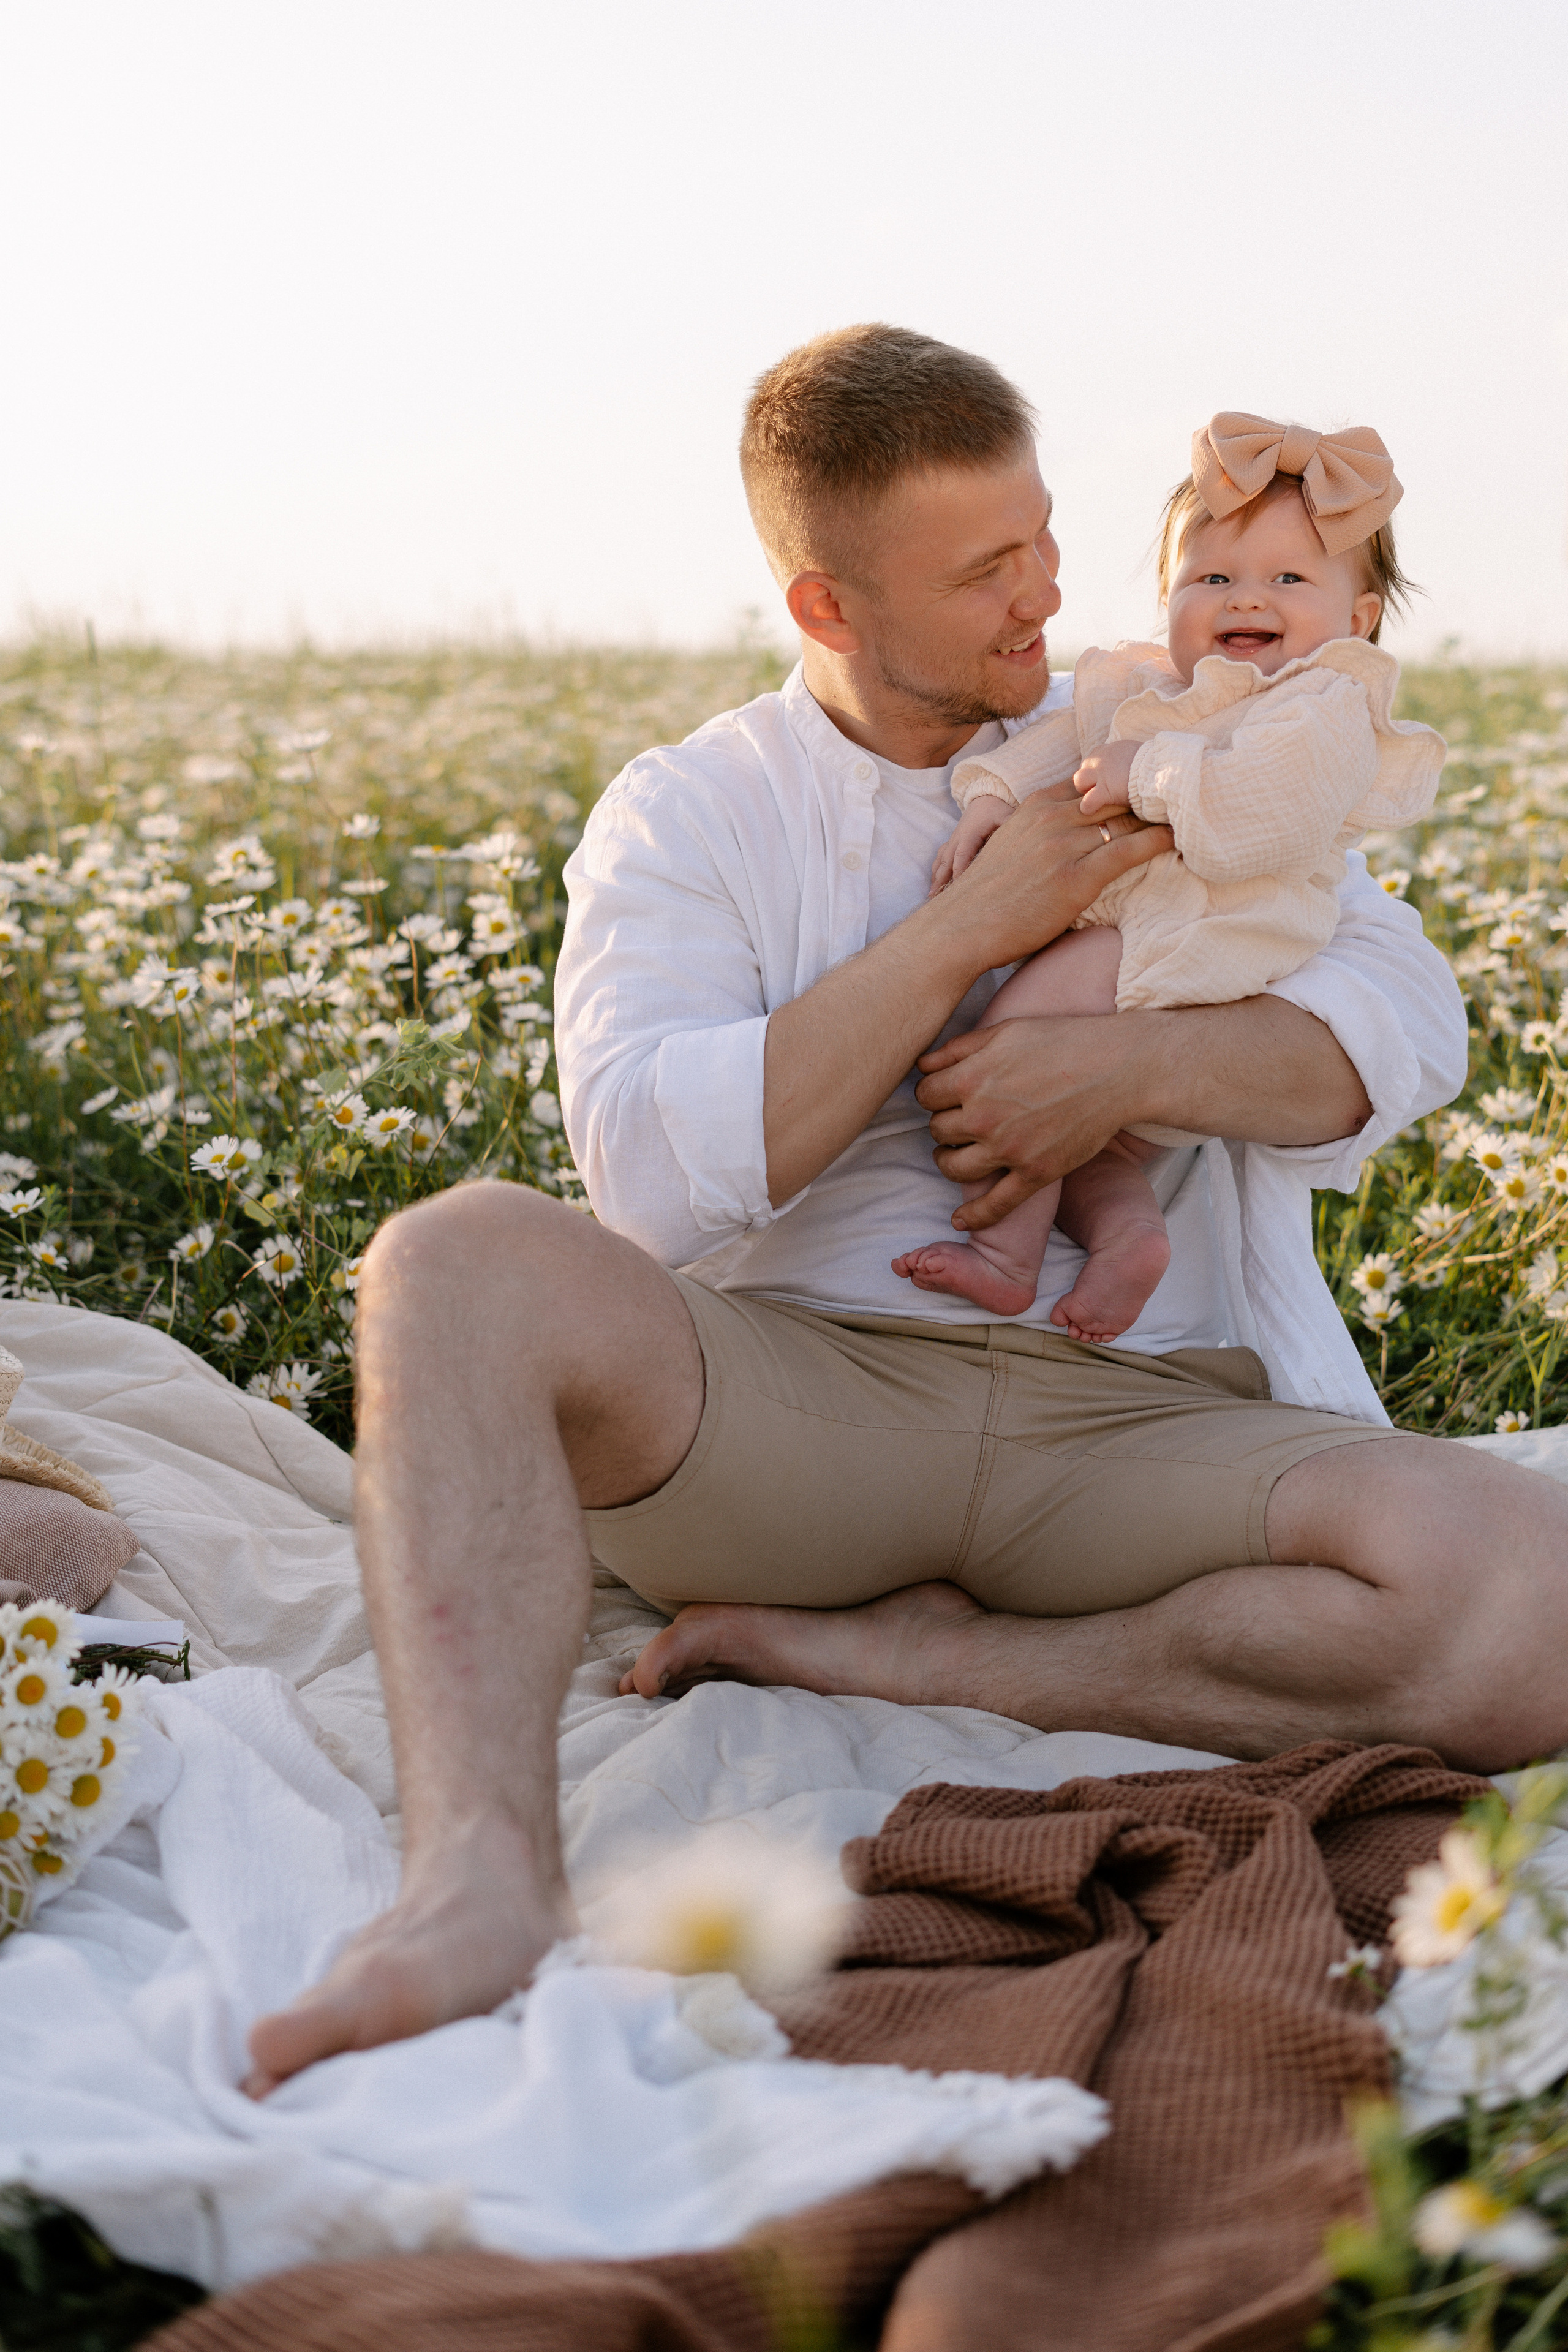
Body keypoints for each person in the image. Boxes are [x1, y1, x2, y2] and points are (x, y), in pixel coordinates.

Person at [244, 325, 1568, 2096]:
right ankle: (475, 1883)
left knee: (1533, 1595)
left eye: (1041, 538)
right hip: (797, 1405)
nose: (1046, 593)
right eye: (982, 572)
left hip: (1134, 1422)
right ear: (828, 606)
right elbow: (648, 1165)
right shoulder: (693, 811)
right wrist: (969, 929)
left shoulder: (1157, 739)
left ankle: (962, 1663)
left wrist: (1122, 1080)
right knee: (451, 1262)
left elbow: (1403, 1026)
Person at [891, 412, 1443, 1339]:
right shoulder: (1155, 689)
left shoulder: (1327, 705)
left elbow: (1258, 821)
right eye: (1212, 577)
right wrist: (991, 795)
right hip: (1161, 934)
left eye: (1288, 579)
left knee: (1020, 1030)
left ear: (1358, 621)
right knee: (1100, 1143)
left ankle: (1004, 1255)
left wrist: (1145, 775)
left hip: (1210, 931)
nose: (1244, 599)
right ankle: (1128, 1240)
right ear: (1170, 592)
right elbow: (1064, 743)